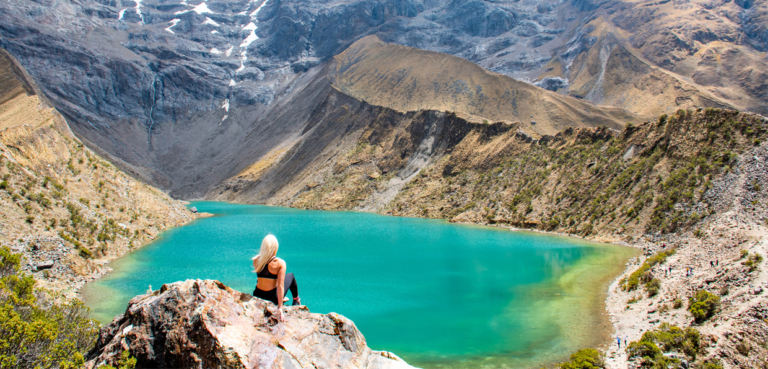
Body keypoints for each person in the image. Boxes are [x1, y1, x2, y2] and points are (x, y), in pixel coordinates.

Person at [252, 235, 301, 320]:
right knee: (290, 276)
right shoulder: (280, 263)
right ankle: (296, 300)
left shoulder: (256, 260)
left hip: (257, 295)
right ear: (275, 247)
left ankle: (288, 298)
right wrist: (280, 308)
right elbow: (280, 285)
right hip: (272, 297)